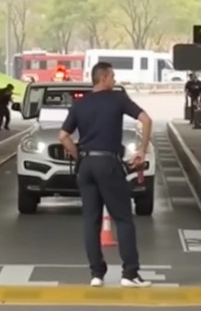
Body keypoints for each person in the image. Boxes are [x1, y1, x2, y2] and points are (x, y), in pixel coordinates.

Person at [59, 61, 153, 288]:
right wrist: (142, 149)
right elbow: (146, 119)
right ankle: (130, 274)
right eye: (112, 76)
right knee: (122, 218)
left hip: (86, 165)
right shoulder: (117, 99)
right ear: (104, 78)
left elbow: (63, 136)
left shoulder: (80, 104)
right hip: (108, 163)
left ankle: (96, 274)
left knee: (91, 221)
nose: (114, 80)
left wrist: (78, 156)